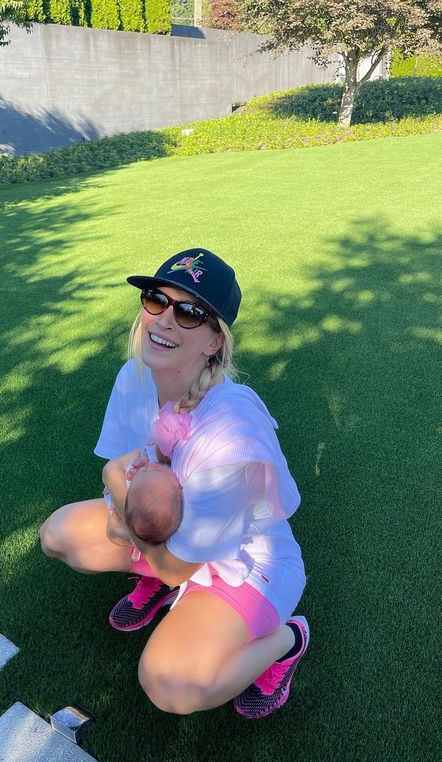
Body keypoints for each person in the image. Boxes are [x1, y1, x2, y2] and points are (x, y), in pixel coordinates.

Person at [40, 248, 309, 719]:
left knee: (169, 685)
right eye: (156, 300)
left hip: (243, 564)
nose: (164, 319)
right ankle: (156, 587)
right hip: (173, 537)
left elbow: (176, 565)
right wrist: (124, 506)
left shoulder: (231, 430)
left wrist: (115, 488)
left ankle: (290, 640)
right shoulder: (135, 378)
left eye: (188, 313)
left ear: (214, 340)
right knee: (57, 536)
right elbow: (134, 489)